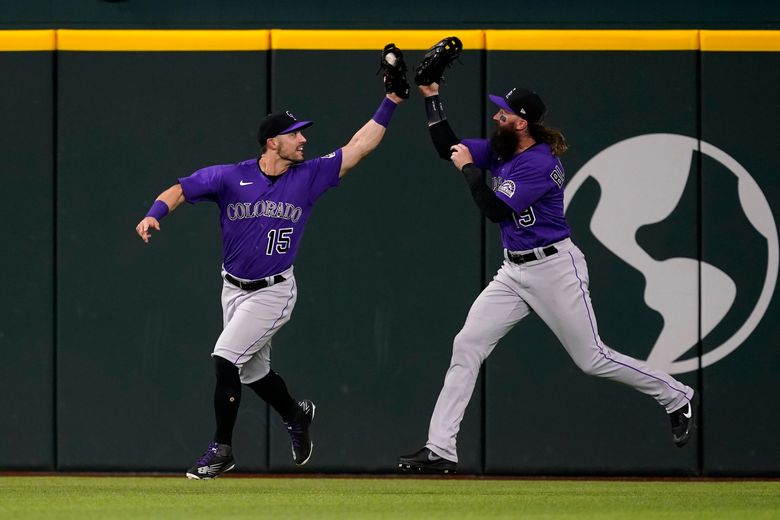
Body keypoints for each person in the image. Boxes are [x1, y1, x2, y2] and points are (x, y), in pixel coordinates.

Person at [397, 82, 696, 474]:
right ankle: (440, 449)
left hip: (555, 268)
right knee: (467, 343)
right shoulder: (504, 148)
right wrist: (431, 96)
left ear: (521, 123)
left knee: (592, 358)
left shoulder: (538, 163)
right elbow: (448, 147)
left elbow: (494, 209)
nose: (496, 117)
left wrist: (469, 168)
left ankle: (676, 395)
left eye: (503, 113)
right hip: (513, 270)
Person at [135, 76, 404, 480]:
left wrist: (392, 100)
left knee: (225, 357)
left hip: (273, 291)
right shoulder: (230, 177)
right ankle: (296, 414)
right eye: (295, 134)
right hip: (233, 288)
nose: (303, 141)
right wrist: (154, 214)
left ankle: (221, 449)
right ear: (271, 142)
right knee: (252, 372)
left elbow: (360, 146)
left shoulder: (309, 175)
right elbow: (179, 189)